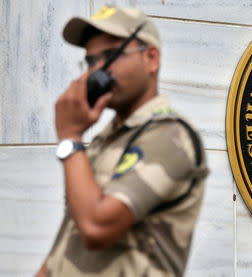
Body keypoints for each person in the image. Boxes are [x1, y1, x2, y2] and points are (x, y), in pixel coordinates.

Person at [35, 5, 208, 277]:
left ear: (151, 59)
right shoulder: (106, 139)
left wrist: (70, 138)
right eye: (91, 62)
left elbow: (96, 228)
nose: (96, 71)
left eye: (109, 55)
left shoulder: (171, 136)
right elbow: (70, 238)